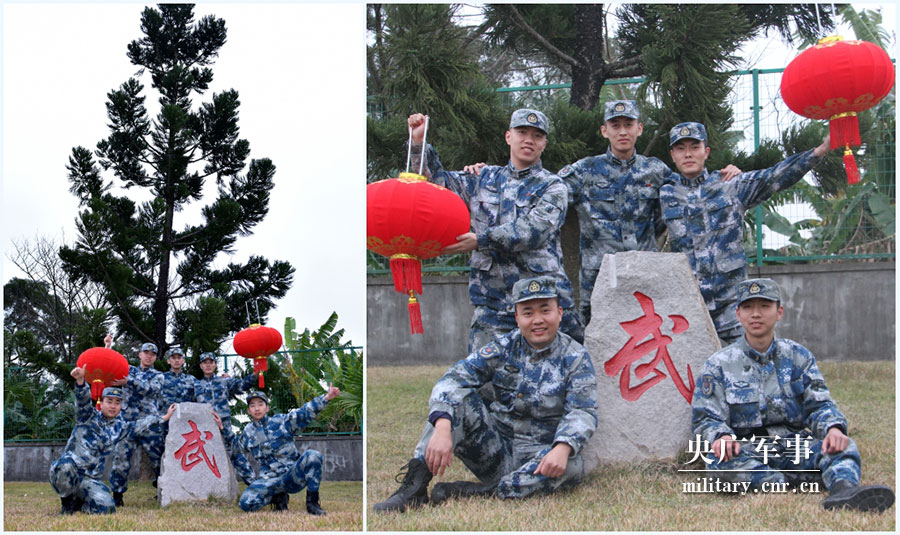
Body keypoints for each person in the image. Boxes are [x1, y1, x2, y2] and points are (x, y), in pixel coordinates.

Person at [373, 276, 598, 512]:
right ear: (517, 318)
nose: (538, 320)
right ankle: (413, 489)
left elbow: (582, 411)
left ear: (560, 313)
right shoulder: (502, 347)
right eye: (528, 312)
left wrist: (562, 448)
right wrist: (442, 426)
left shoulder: (576, 357)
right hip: (494, 450)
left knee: (573, 467)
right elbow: (454, 379)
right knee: (455, 402)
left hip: (539, 457)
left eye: (545, 311)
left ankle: (481, 492)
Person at [691, 278, 894, 512]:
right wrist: (720, 437)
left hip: (795, 445)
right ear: (738, 314)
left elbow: (819, 405)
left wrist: (833, 429)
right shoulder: (719, 365)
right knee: (718, 464)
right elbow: (706, 417)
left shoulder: (799, 356)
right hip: (748, 449)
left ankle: (843, 489)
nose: (756, 314)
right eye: (748, 307)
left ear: (779, 312)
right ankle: (794, 482)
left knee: (844, 446)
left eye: (764, 306)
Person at [408, 109, 583, 352]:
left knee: (553, 380)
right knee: (485, 383)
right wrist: (419, 143)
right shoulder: (483, 178)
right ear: (508, 136)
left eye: (537, 135)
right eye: (522, 132)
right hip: (493, 304)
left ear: (544, 143)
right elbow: (438, 187)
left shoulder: (553, 186)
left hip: (542, 303)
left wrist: (480, 240)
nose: (529, 140)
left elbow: (534, 231)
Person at [557, 100, 740, 326]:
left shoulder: (655, 170)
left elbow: (690, 188)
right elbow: (552, 198)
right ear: (604, 131)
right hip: (601, 278)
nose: (623, 131)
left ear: (639, 128)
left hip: (646, 276)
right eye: (615, 125)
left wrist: (722, 177)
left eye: (628, 124)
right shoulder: (584, 171)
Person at [660, 122, 831, 344]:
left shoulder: (731, 185)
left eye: (694, 147)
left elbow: (776, 176)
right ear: (672, 155)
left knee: (757, 359)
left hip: (731, 304)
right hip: (688, 304)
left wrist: (821, 150)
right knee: (688, 373)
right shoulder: (665, 194)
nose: (688, 154)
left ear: (706, 151)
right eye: (681, 148)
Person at [50, 364, 175, 514]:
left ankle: (81, 502)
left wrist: (165, 417)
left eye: (117, 402)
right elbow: (82, 400)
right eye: (109, 401)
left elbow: (141, 424)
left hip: (90, 479)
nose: (113, 406)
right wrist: (81, 381)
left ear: (121, 406)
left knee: (107, 508)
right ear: (101, 403)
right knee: (65, 467)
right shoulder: (87, 417)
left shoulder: (120, 427)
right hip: (70, 472)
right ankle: (67, 505)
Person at [216, 388, 340, 514]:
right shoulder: (248, 432)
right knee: (246, 503)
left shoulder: (281, 421)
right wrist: (222, 428)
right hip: (270, 480)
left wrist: (326, 398)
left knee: (313, 455)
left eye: (260, 404)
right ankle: (278, 497)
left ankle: (312, 503)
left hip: (291, 476)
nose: (257, 409)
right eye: (252, 406)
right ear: (249, 411)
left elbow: (303, 413)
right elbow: (236, 448)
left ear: (267, 408)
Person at [108, 339, 164, 506]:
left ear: (155, 358)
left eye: (152, 354)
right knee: (120, 459)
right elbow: (110, 364)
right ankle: (117, 497)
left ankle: (164, 492)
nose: (148, 356)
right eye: (146, 353)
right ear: (140, 354)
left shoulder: (158, 375)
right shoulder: (128, 370)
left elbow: (151, 389)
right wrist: (108, 346)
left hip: (148, 423)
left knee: (159, 460)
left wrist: (129, 382)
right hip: (126, 423)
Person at [193, 351, 257, 485]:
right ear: (201, 366)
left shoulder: (224, 381)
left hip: (225, 426)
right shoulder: (196, 385)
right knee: (207, 455)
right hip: (206, 429)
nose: (208, 365)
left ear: (215, 365)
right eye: (205, 363)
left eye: (211, 362)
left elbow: (242, 386)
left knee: (235, 454)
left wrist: (255, 373)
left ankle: (254, 484)